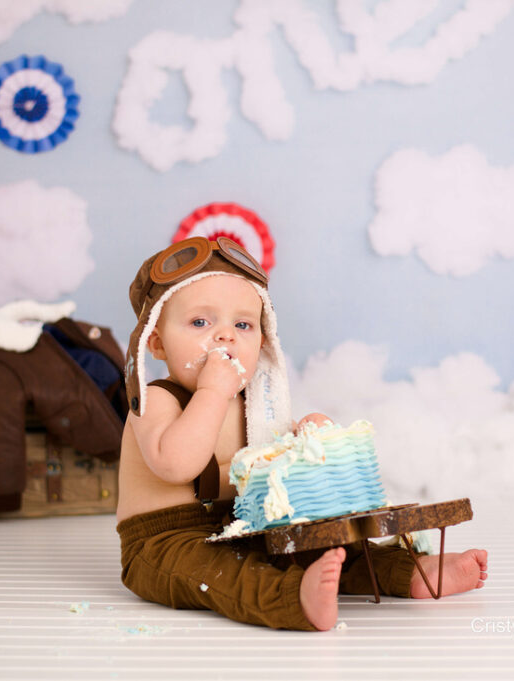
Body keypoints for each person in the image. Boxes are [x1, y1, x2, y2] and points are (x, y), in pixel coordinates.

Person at [116, 236, 487, 630]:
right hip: (165, 540)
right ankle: (294, 599)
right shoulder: (158, 398)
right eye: (201, 322)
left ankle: (409, 572)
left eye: (243, 324)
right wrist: (211, 391)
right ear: (155, 342)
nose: (226, 336)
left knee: (329, 550)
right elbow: (176, 465)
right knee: (223, 572)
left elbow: (272, 468)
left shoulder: (254, 404)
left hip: (242, 527)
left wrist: (307, 442)